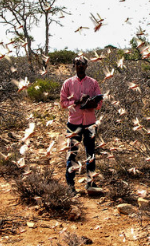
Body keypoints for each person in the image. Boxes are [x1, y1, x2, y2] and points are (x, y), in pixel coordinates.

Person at [60, 56, 102, 195]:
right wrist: (77, 102)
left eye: (83, 63)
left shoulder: (93, 83)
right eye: (78, 63)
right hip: (74, 123)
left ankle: (90, 183)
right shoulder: (68, 83)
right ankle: (70, 186)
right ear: (74, 65)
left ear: (87, 66)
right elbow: (63, 103)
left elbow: (99, 102)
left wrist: (92, 103)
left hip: (89, 122)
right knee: (72, 154)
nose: (81, 66)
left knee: (91, 154)